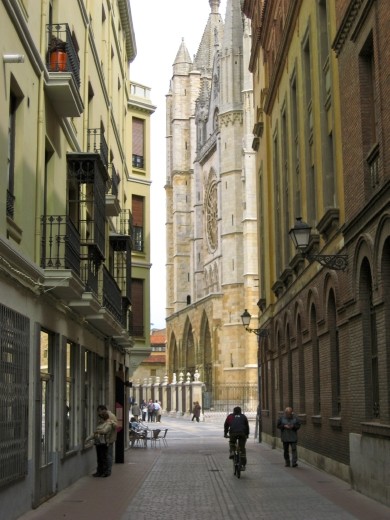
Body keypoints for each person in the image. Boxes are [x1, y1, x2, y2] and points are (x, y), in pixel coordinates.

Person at [87, 410, 116, 477]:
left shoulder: (108, 424)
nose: (99, 419)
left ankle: (105, 471)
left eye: (101, 418)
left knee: (103, 458)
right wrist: (88, 438)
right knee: (99, 458)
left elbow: (105, 431)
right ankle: (99, 471)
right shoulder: (100, 424)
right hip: (98, 442)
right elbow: (94, 434)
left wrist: (97, 431)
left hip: (104, 443)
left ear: (104, 418)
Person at [97, 404, 118, 476]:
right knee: (103, 455)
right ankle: (101, 470)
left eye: (99, 411)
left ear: (103, 410)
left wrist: (111, 423)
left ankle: (108, 471)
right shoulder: (102, 416)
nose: (98, 413)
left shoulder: (111, 416)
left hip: (109, 439)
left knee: (108, 455)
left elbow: (116, 426)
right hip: (102, 439)